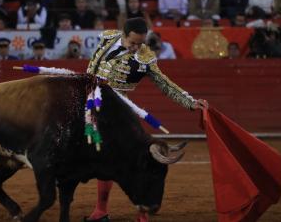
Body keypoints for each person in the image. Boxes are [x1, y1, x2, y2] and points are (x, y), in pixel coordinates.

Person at [84, 17, 208, 222]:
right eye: (132, 43)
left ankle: (138, 210)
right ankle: (101, 210)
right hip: (87, 103)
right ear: (123, 35)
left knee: (129, 159)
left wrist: (190, 102)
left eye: (140, 43)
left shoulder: (145, 58)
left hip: (117, 111)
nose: (136, 48)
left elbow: (165, 84)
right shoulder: (107, 38)